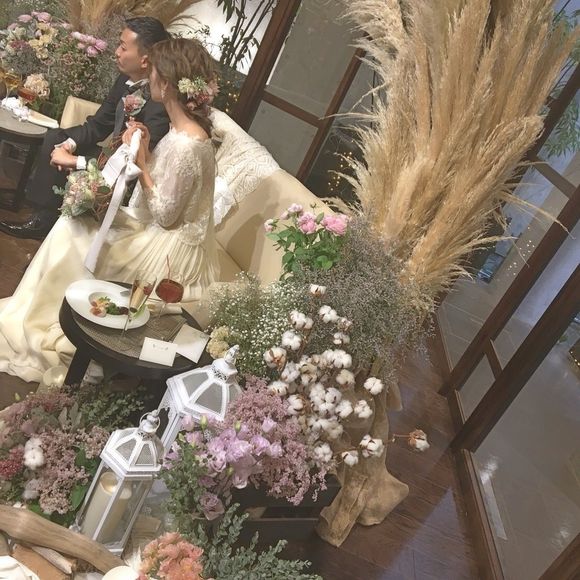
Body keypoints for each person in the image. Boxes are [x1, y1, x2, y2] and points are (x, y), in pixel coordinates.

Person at [0, 37, 220, 384]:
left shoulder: (188, 143)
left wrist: (143, 163)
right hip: (152, 225)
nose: (149, 79)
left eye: (155, 73)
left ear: (167, 83)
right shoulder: (182, 130)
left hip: (167, 247)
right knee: (70, 224)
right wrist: (145, 146)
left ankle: (44, 318)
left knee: (74, 234)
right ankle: (33, 309)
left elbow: (165, 214)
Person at [0, 16, 170, 240]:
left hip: (128, 172)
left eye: (123, 47)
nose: (116, 52)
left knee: (71, 153)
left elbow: (138, 161)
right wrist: (69, 144)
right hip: (111, 155)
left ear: (145, 60)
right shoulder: (124, 79)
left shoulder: (159, 101)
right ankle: (42, 218)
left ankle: (52, 223)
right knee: (55, 138)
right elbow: (99, 125)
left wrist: (75, 161)